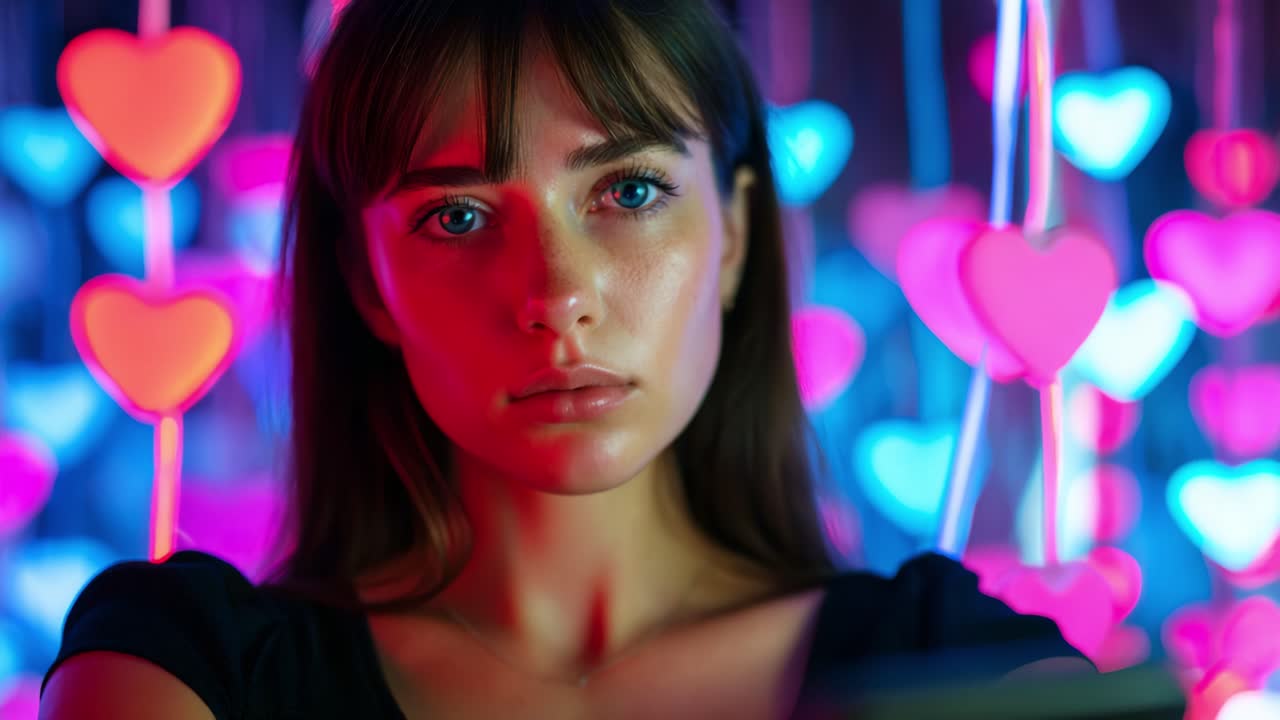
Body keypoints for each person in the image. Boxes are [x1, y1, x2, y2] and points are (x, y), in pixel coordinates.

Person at [38, 1, 1094, 718]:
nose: (554, 295)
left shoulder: (958, 669)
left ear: (729, 234)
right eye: (454, 216)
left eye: (627, 191)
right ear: (366, 283)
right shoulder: (184, 673)